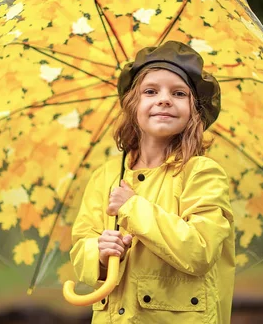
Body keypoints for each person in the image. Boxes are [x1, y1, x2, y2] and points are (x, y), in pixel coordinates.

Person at [70, 40, 236, 323]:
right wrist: (98, 253)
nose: (164, 99)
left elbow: (200, 250)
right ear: (133, 105)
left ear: (194, 111)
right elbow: (81, 245)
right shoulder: (106, 176)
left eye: (178, 93)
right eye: (150, 91)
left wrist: (133, 207)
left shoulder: (201, 174)